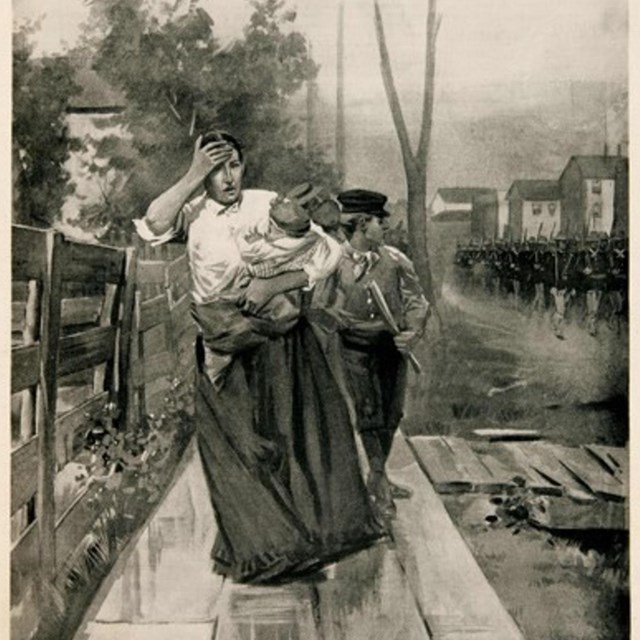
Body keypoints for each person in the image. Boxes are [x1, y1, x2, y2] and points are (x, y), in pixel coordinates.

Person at [135, 131, 385, 583]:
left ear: (244, 166)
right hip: (224, 339)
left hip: (279, 340)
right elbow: (153, 224)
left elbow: (328, 251)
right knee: (236, 445)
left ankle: (293, 545)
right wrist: (193, 174)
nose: (227, 178)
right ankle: (264, 546)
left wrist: (276, 283)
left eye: (233, 165)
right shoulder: (192, 213)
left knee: (290, 438)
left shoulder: (264, 203)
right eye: (215, 169)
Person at [312, 189, 430, 519]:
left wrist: (413, 331)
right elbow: (319, 307)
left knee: (392, 416)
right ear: (363, 224)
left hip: (392, 350)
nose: (386, 227)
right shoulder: (335, 263)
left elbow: (417, 301)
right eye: (381, 220)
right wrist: (338, 318)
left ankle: (376, 477)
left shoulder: (395, 260)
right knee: (368, 414)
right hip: (354, 350)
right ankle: (379, 485)